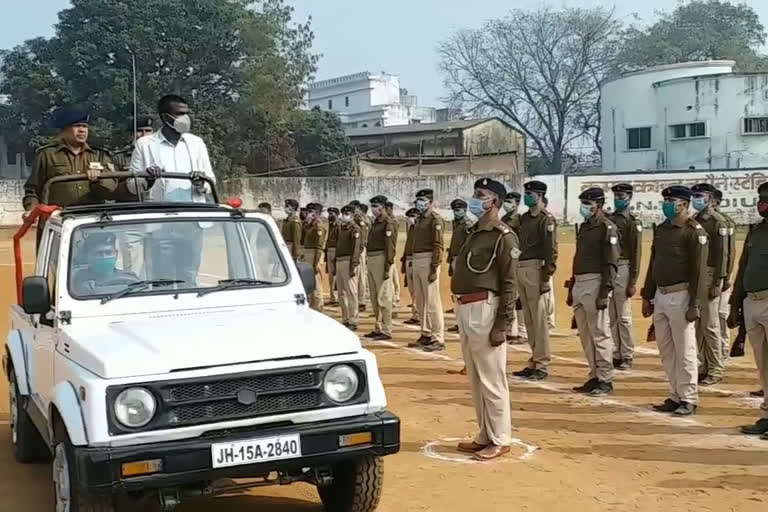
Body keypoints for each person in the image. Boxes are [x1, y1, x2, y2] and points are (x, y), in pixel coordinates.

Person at [453, 178, 519, 461]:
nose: (475, 199)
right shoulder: (475, 232)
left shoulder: (504, 236)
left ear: (496, 201)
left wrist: (503, 323)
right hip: (465, 307)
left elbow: (509, 282)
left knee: (492, 378)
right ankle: (485, 433)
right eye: (475, 194)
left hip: (485, 309)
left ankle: (501, 437)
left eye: (481, 195)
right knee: (476, 378)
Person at [641, 185, 708, 416]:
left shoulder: (693, 231)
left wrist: (695, 304)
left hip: (682, 295)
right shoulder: (662, 229)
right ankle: (675, 393)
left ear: (684, 204)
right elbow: (654, 263)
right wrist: (647, 295)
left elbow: (699, 272)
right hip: (661, 294)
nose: (668, 204)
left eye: (673, 201)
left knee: (685, 349)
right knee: (666, 349)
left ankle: (689, 397)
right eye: (666, 200)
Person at [23, 108, 117, 225]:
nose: (82, 130)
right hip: (58, 221)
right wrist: (31, 209)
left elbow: (112, 189)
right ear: (64, 130)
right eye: (77, 126)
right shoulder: (47, 155)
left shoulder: (99, 155)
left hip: (93, 221)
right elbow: (33, 190)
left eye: (85, 126)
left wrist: (99, 180)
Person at [568, 187, 619, 396]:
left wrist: (604, 291)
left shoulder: (607, 228)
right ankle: (594, 374)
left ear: (599, 205)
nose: (584, 207)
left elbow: (611, 263)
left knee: (599, 333)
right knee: (586, 334)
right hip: (580, 282)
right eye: (583, 203)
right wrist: (572, 286)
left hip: (596, 282)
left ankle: (606, 378)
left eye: (588, 204)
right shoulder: (585, 227)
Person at [731, 182, 768, 438]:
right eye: (761, 197)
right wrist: (736, 302)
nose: (762, 202)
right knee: (763, 364)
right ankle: (767, 414)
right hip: (752, 302)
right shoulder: (756, 230)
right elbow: (743, 268)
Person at [129, 95, 215, 202]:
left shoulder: (196, 143)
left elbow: (211, 183)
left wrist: (201, 183)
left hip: (193, 212)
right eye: (179, 114)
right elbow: (132, 187)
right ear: (165, 117)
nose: (185, 118)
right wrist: (148, 179)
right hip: (160, 213)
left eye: (186, 113)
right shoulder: (144, 144)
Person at [512, 181, 557, 381]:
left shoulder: (545, 219)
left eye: (530, 193)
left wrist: (546, 277)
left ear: (539, 195)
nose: (527, 196)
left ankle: (542, 363)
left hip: (536, 269)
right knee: (529, 319)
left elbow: (551, 251)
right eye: (526, 193)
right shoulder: (524, 218)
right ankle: (534, 358)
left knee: (539, 320)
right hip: (521, 266)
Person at [691, 183, 730, 386]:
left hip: (710, 274)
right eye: (694, 195)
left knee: (710, 325)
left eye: (700, 195)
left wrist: (719, 280)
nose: (696, 198)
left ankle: (715, 368)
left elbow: (723, 253)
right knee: (697, 325)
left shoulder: (717, 222)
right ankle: (703, 365)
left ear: (709, 197)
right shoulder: (694, 220)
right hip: (696, 277)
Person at [608, 183, 643, 370]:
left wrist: (633, 280)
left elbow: (636, 253)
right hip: (610, 268)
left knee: (624, 315)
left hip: (624, 267)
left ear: (629, 197)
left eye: (621, 196)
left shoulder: (632, 222)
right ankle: (617, 352)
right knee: (611, 315)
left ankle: (627, 354)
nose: (618, 199)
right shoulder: (610, 219)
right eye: (616, 196)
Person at [407, 189, 446, 352]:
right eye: (418, 200)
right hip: (417, 259)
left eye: (423, 200)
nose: (420, 203)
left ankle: (438, 336)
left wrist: (434, 266)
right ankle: (426, 333)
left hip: (428, 259)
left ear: (431, 202)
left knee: (432, 301)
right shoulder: (419, 220)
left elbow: (438, 245)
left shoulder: (434, 219)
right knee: (421, 301)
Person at [364, 196, 398, 341]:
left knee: (383, 296)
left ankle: (386, 328)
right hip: (371, 258)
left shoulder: (387, 223)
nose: (373, 209)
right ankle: (378, 326)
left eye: (376, 206)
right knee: (374, 295)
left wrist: (387, 266)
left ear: (383, 207)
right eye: (372, 206)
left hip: (381, 258)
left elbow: (390, 246)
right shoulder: (375, 222)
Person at [72, 233, 139, 295]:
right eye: (98, 253)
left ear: (116, 254)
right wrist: (82, 289)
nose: (104, 257)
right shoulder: (79, 278)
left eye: (108, 252)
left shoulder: (128, 277)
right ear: (88, 257)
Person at [714, 189, 737, 361]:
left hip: (721, 274)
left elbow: (730, 252)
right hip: (705, 275)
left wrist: (727, 277)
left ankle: (723, 349)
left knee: (721, 314)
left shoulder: (726, 222)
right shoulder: (697, 221)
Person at [502, 191, 526, 343]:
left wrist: (515, 257)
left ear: (517, 203)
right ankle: (511, 329)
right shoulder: (504, 219)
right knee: (509, 295)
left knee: (518, 297)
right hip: (506, 260)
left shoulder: (520, 220)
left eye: (510, 201)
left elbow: (520, 241)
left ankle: (522, 332)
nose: (506, 204)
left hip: (516, 259)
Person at [334, 205, 363, 331]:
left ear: (352, 215)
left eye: (347, 214)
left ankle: (353, 319)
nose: (344, 216)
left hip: (348, 261)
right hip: (340, 261)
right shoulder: (340, 228)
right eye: (343, 213)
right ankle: (345, 318)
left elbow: (356, 249)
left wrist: (353, 265)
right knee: (341, 292)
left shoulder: (355, 229)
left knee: (351, 292)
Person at [447, 199, 473, 333]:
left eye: (459, 210)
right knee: (456, 292)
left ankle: (464, 321)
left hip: (463, 260)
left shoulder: (467, 225)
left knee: (463, 291)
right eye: (455, 210)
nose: (456, 212)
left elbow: (470, 244)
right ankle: (459, 321)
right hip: (455, 258)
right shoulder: (456, 223)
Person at [302, 203, 327, 312]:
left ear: (317, 213)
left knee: (316, 283)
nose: (309, 213)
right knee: (309, 282)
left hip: (315, 254)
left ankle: (318, 306)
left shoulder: (319, 225)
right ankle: (312, 306)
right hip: (308, 253)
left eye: (311, 211)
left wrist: (316, 262)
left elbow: (319, 246)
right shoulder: (310, 225)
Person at [402, 207, 422, 326]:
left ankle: (419, 315)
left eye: (414, 216)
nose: (411, 219)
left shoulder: (421, 230)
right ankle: (415, 314)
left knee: (418, 291)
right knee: (412, 290)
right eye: (410, 216)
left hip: (416, 260)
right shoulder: (411, 229)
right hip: (409, 260)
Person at [352, 201, 371, 311]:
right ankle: (359, 298)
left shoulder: (362, 221)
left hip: (360, 249)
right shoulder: (356, 220)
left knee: (361, 275)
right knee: (357, 275)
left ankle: (361, 300)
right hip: (355, 249)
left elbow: (363, 237)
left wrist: (361, 249)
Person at [542, 196, 556, 331]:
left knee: (548, 295)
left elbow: (551, 247)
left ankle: (550, 321)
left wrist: (549, 266)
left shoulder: (547, 219)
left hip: (545, 262)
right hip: (535, 264)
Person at [385, 201, 402, 311]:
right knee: (392, 275)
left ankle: (395, 298)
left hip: (391, 250)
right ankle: (393, 299)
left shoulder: (393, 221)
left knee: (392, 275)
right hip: (388, 251)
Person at [325, 207, 340, 306]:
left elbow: (340, 241)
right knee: (331, 276)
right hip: (329, 250)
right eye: (329, 213)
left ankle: (337, 297)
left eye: (332, 213)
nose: (330, 215)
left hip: (335, 251)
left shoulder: (338, 226)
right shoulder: (330, 225)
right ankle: (332, 297)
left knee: (337, 276)